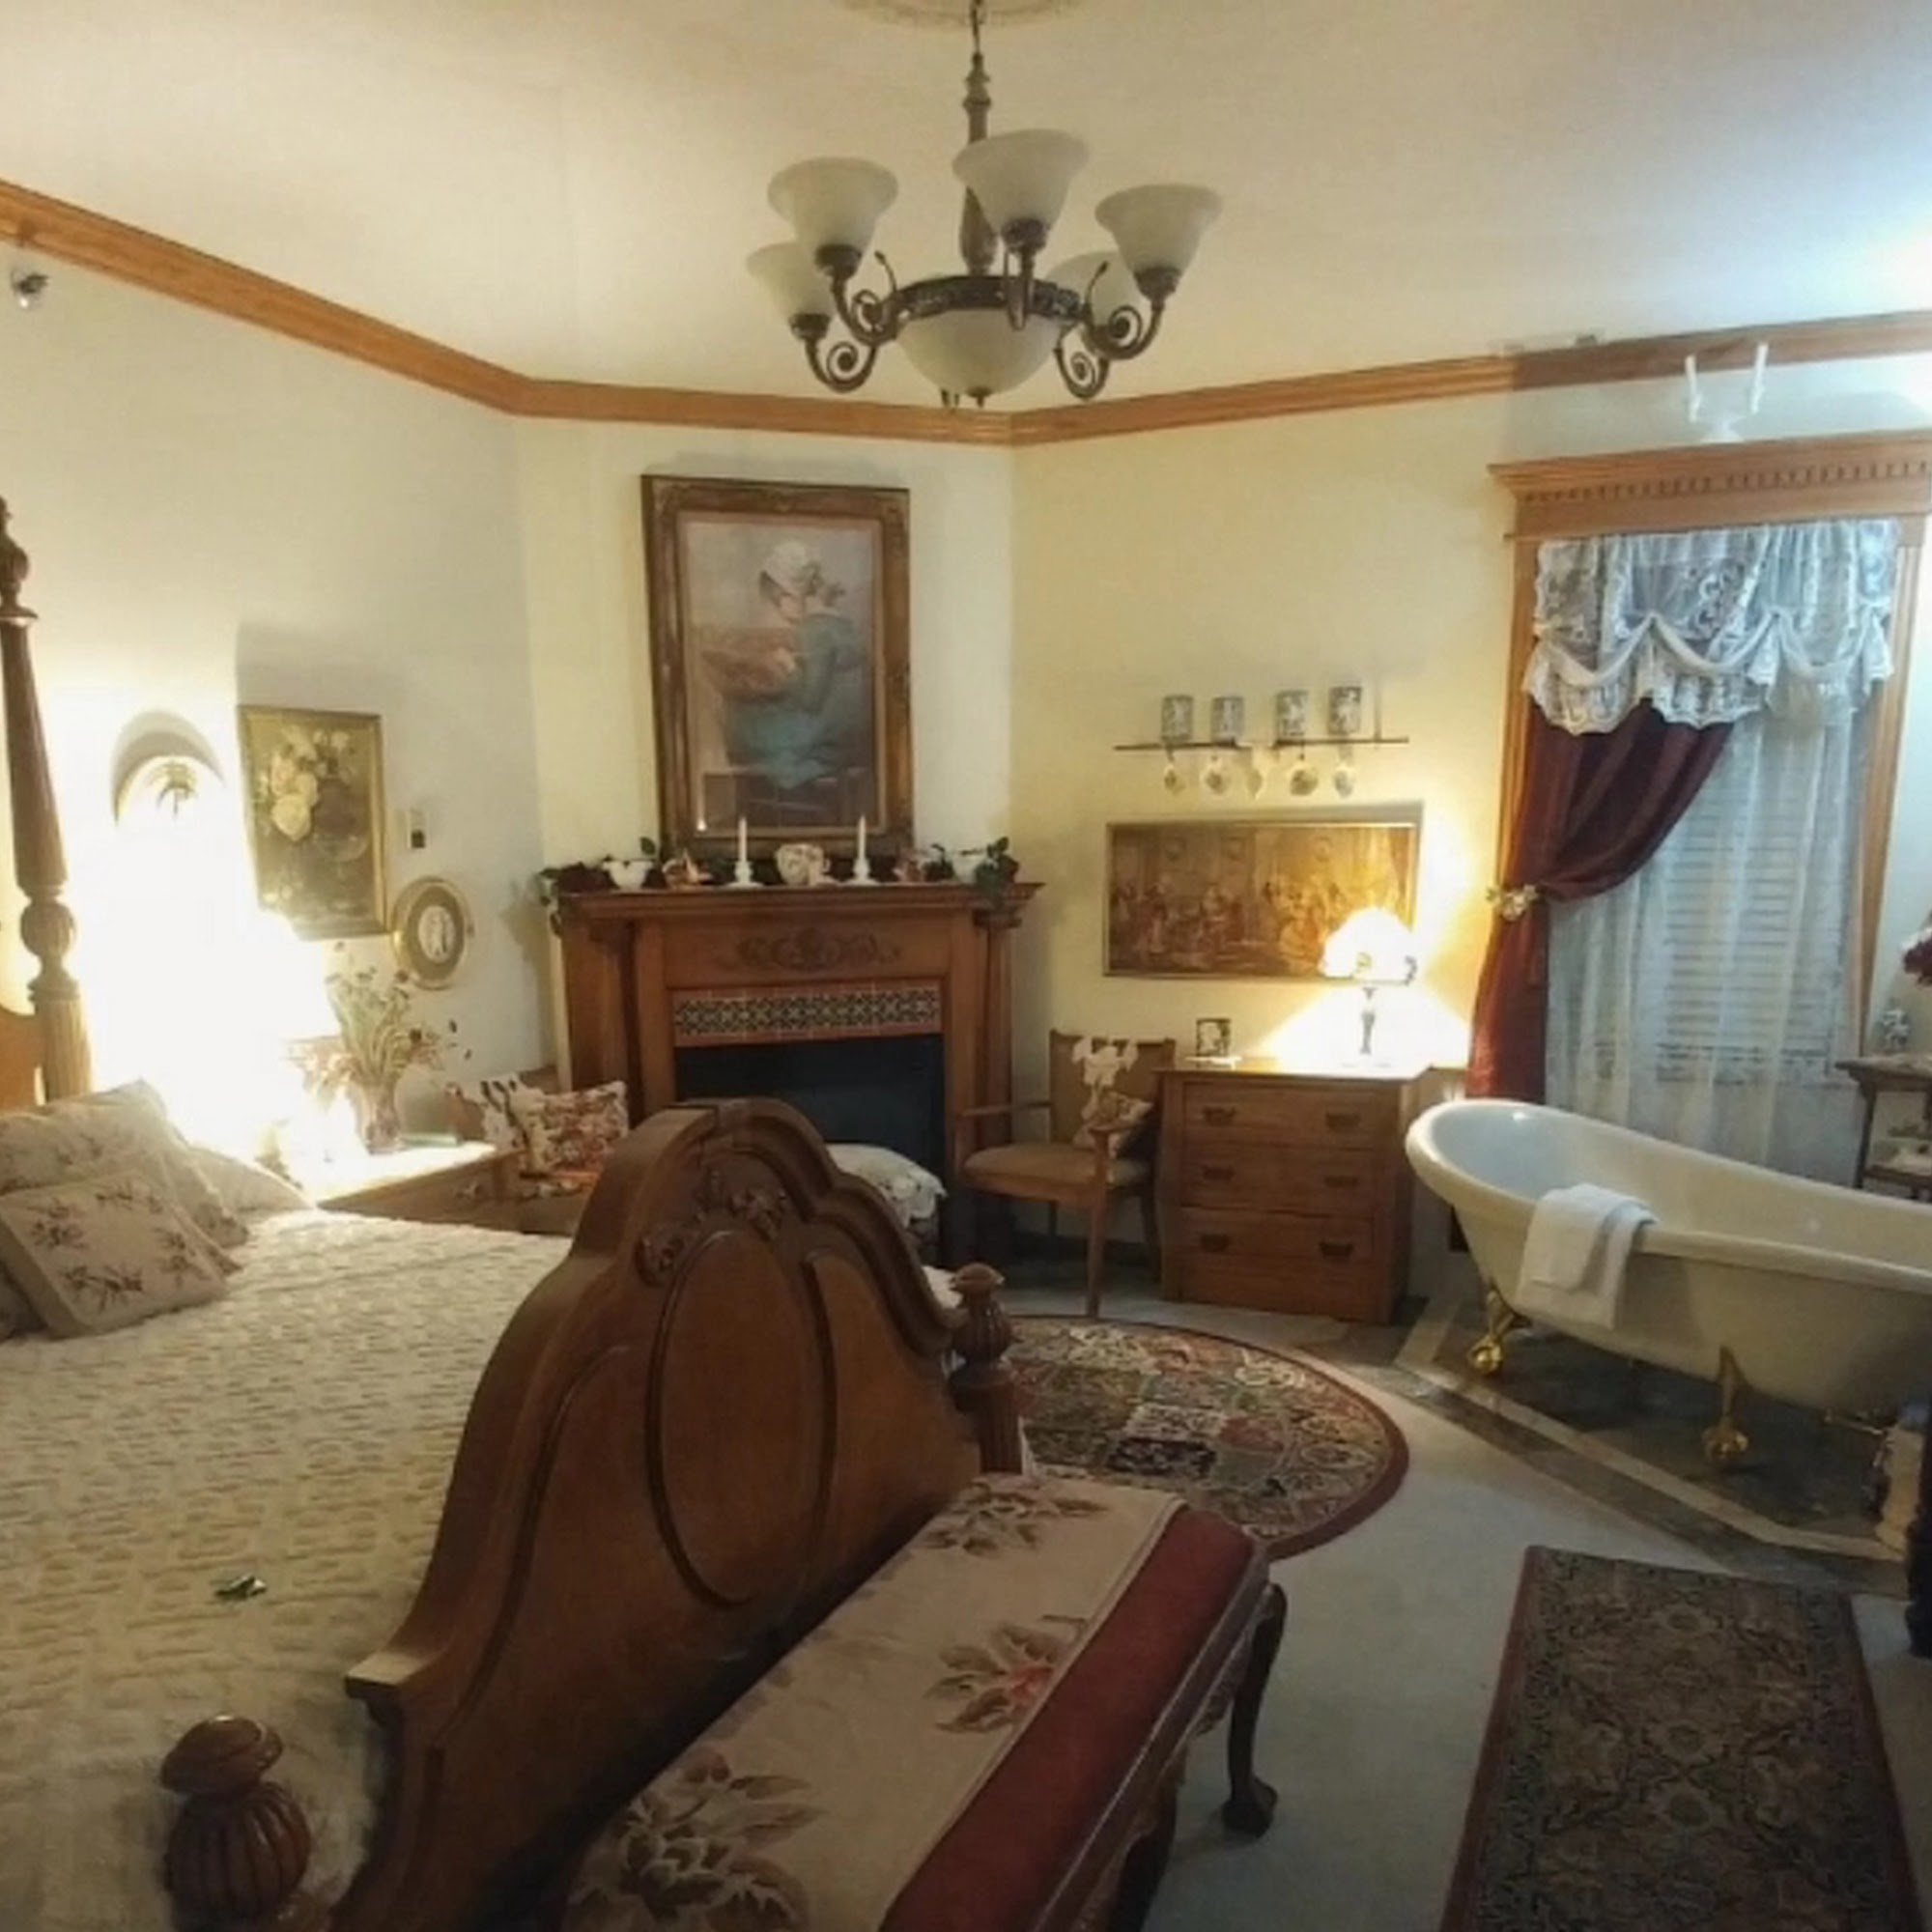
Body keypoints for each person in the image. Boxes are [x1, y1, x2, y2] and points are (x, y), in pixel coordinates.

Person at [714, 539, 873, 814]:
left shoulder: (816, 629)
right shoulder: (840, 624)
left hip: (825, 743)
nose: (778, 609)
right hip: (844, 734)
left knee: (737, 717)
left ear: (789, 595)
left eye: (778, 600)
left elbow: (812, 699)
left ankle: (755, 795)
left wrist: (788, 667)